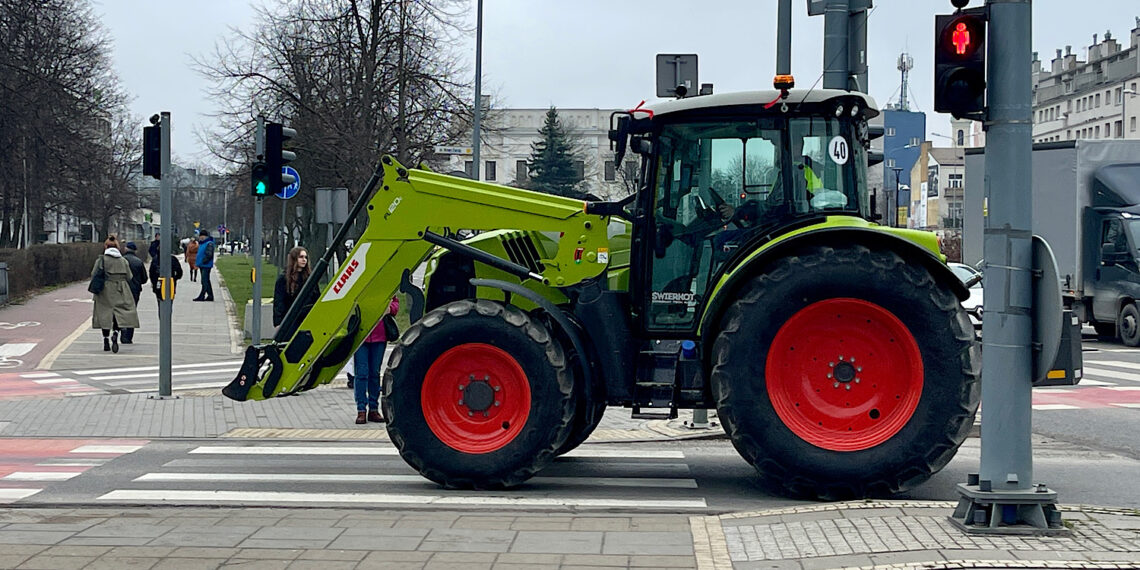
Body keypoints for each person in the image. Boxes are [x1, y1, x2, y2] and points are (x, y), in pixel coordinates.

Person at [91, 235, 140, 354]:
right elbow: (129, 276)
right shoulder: (123, 260)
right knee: (120, 313)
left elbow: (93, 274)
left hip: (105, 289)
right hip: (121, 288)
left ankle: (106, 339)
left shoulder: (102, 260)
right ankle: (116, 333)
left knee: (104, 314)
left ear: (106, 246)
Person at [354, 297, 399, 424]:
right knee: (361, 373)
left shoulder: (384, 285)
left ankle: (373, 409)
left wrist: (390, 309)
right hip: (360, 334)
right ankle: (361, 409)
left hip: (380, 336)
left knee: (374, 373)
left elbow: (395, 303)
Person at [273, 246, 319, 328]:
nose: (304, 260)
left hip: (308, 319)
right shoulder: (284, 279)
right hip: (290, 320)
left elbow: (316, 297)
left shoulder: (310, 278)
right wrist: (278, 322)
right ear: (294, 259)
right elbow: (279, 301)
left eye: (305, 257)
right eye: (301, 257)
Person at [119, 242, 148, 344]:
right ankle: (128, 337)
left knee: (121, 311)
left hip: (121, 290)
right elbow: (144, 279)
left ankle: (121, 330)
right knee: (132, 312)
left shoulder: (120, 261)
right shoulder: (138, 262)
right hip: (134, 290)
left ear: (126, 249)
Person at [193, 230, 216, 302]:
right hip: (202, 265)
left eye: (201, 236)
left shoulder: (209, 244)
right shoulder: (202, 243)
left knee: (204, 281)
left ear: (205, 236)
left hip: (206, 265)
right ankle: (210, 296)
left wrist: (202, 262)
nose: (200, 238)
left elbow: (209, 255)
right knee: (206, 281)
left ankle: (202, 295)